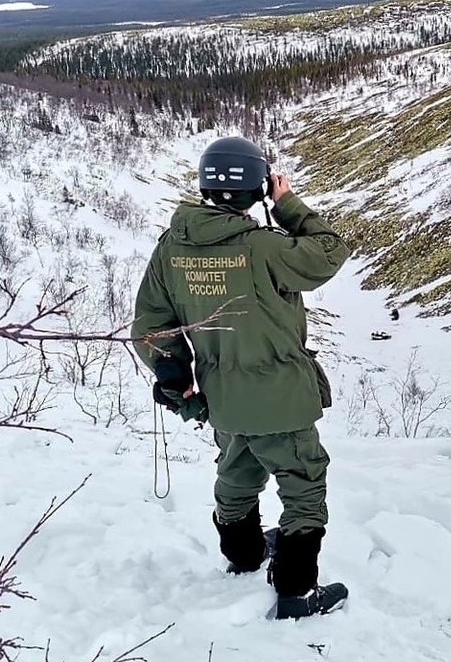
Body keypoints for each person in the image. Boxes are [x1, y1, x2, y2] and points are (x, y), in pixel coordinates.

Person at [131, 136, 351, 620]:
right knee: (303, 487)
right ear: (257, 185)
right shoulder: (264, 246)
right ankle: (296, 593)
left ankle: (245, 555)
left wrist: (175, 375)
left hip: (222, 395)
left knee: (236, 474)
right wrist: (287, 202)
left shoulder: (172, 246)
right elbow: (330, 251)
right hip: (281, 399)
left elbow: (150, 326)